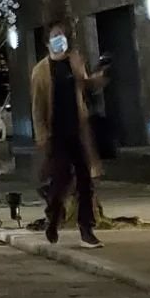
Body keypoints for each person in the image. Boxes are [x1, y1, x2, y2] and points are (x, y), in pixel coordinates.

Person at [31, 20, 107, 249]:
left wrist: (97, 79)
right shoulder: (40, 72)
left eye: (63, 36)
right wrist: (42, 136)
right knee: (60, 182)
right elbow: (37, 107)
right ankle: (53, 218)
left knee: (85, 181)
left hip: (78, 131)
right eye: (56, 36)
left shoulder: (74, 62)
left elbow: (85, 86)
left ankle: (87, 228)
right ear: (47, 42)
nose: (60, 40)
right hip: (56, 135)